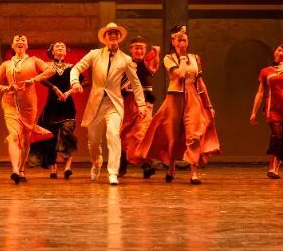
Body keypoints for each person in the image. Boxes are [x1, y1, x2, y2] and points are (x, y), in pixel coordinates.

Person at [134, 25, 220, 184]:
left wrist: (208, 105)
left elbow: (200, 83)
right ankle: (171, 167)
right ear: (173, 42)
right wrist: (182, 58)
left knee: (193, 135)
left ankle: (194, 172)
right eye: (179, 40)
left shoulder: (195, 58)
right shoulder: (169, 58)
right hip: (174, 99)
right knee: (173, 138)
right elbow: (180, 75)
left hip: (192, 98)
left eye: (184, 40)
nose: (182, 43)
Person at [69, 22, 147, 186]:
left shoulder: (126, 59)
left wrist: (141, 105)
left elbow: (136, 83)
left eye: (115, 33)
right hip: (96, 104)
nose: (113, 36)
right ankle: (97, 162)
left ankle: (113, 172)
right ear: (104, 38)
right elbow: (76, 68)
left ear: (120, 37)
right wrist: (75, 82)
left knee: (113, 135)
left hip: (114, 104)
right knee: (93, 141)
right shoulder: (94, 54)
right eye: (109, 33)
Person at [0, 34, 48, 183]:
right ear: (12, 45)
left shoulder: (34, 61)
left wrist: (34, 79)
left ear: (27, 45)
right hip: (9, 104)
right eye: (17, 40)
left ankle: (21, 169)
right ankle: (15, 170)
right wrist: (6, 88)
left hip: (29, 106)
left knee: (26, 138)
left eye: (23, 40)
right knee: (14, 135)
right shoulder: (6, 65)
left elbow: (50, 70)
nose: (20, 42)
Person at [28, 42, 81, 179]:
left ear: (66, 51)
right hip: (51, 105)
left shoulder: (72, 67)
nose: (60, 47)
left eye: (62, 46)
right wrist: (54, 88)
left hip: (67, 105)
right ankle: (53, 167)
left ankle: (68, 167)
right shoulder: (47, 66)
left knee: (67, 134)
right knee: (51, 137)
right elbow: (40, 78)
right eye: (57, 46)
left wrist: (70, 91)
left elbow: (84, 81)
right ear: (52, 51)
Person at [250, 43, 283, 179]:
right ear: (275, 52)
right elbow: (260, 93)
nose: (281, 53)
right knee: (277, 136)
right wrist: (254, 112)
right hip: (273, 108)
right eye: (279, 50)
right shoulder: (265, 71)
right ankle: (271, 167)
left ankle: (276, 169)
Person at [119, 36, 160, 178]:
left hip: (145, 103)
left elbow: (153, 66)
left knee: (143, 131)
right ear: (131, 49)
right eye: (136, 48)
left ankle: (146, 163)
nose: (139, 51)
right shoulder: (124, 64)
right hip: (127, 102)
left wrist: (156, 53)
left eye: (142, 48)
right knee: (125, 134)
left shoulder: (147, 64)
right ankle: (122, 163)